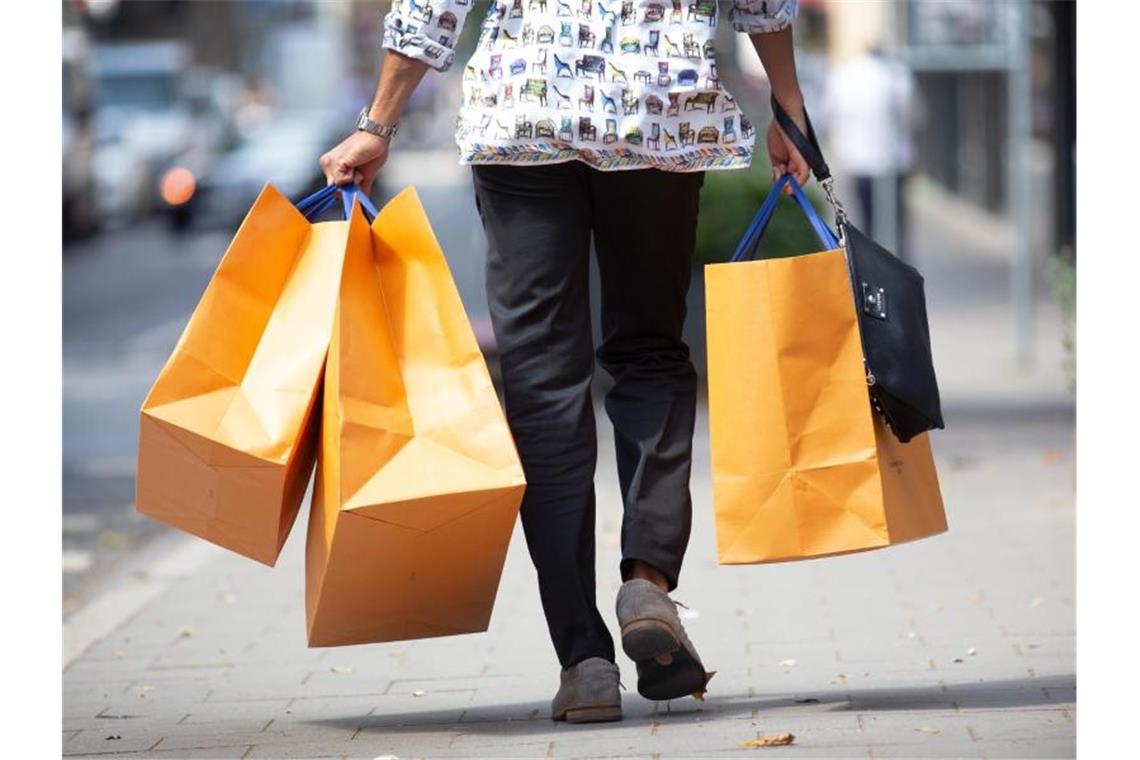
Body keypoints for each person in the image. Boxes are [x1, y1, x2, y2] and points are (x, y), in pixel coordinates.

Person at [319, 0, 811, 724]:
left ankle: (583, 660)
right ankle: (647, 579)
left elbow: (432, 7)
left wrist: (379, 121)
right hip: (658, 105)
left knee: (543, 387)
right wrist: (789, 109)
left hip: (525, 113)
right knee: (651, 353)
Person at [821, 43, 922, 261]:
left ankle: (873, 272)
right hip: (893, 160)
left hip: (858, 159)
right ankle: (897, 272)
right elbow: (912, 116)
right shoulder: (896, 75)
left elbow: (829, 116)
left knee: (867, 221)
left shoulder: (842, 77)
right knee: (896, 224)